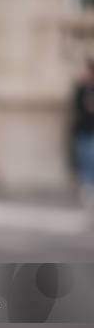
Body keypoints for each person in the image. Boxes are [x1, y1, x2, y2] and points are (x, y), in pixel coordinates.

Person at [71, 59, 94, 213]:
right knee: (84, 163)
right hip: (83, 132)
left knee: (90, 161)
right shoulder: (81, 89)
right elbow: (78, 108)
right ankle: (87, 194)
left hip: (91, 131)